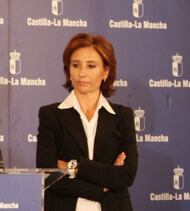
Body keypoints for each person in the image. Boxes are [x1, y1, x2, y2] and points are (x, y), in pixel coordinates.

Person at [36, 33, 138, 211]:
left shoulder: (122, 116)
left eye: (91, 66)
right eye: (75, 65)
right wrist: (102, 186)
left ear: (106, 71)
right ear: (68, 70)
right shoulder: (50, 114)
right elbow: (49, 176)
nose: (82, 73)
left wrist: (73, 166)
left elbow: (126, 176)